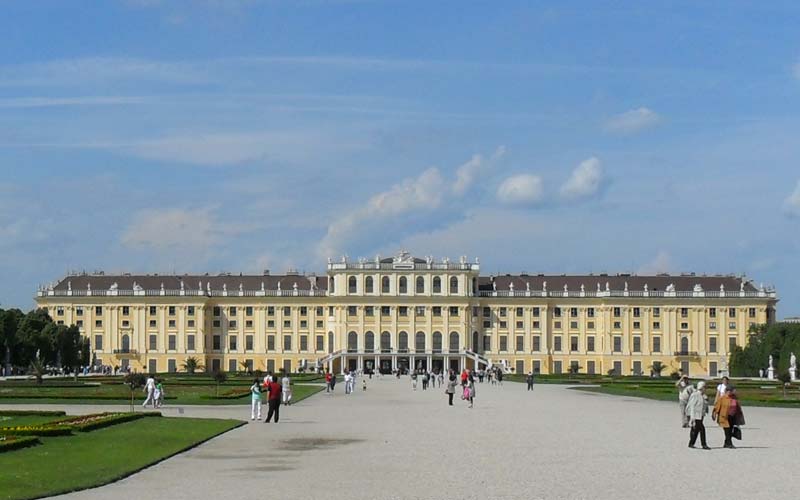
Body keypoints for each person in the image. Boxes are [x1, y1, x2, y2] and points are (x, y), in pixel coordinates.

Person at [686, 381, 710, 449]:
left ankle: (691, 443)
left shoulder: (704, 396)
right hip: (696, 415)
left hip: (701, 415)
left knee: (696, 430)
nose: (705, 388)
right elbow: (692, 406)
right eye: (704, 387)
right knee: (702, 429)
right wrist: (692, 417)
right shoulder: (695, 395)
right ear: (701, 388)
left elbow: (704, 405)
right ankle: (704, 444)